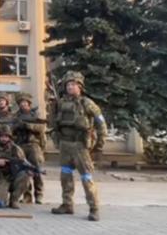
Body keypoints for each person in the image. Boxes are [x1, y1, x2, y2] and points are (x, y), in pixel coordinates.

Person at [51, 71, 107, 221]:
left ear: (80, 87)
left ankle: (94, 208)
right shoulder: (60, 103)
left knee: (86, 178)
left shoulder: (87, 103)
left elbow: (101, 123)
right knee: (65, 176)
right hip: (65, 145)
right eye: (68, 84)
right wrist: (56, 140)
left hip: (80, 146)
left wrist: (99, 145)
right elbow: (54, 125)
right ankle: (67, 204)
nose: (70, 87)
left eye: (73, 84)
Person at [13, 92, 47, 204]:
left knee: (36, 169)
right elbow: (11, 129)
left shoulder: (35, 115)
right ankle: (27, 195)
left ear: (29, 103)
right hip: (21, 145)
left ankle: (39, 194)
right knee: (23, 170)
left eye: (25, 103)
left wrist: (28, 126)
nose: (23, 105)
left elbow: (42, 128)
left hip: (33, 145)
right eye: (21, 103)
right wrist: (17, 126)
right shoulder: (16, 116)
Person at [0, 125, 28, 209]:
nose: (4, 139)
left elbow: (24, 163)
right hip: (1, 179)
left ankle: (14, 200)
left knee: (24, 175)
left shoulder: (16, 149)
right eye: (2, 137)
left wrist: (29, 170)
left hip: (14, 177)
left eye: (6, 136)